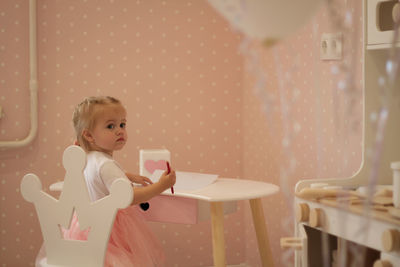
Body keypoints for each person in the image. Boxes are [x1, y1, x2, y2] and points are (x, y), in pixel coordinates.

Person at [65, 96, 175, 266]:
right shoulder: (107, 164)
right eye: (111, 126)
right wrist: (161, 186)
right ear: (89, 135)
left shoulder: (87, 158)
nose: (120, 131)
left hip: (87, 226)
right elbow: (128, 197)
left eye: (122, 124)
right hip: (109, 230)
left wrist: (127, 175)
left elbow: (99, 178)